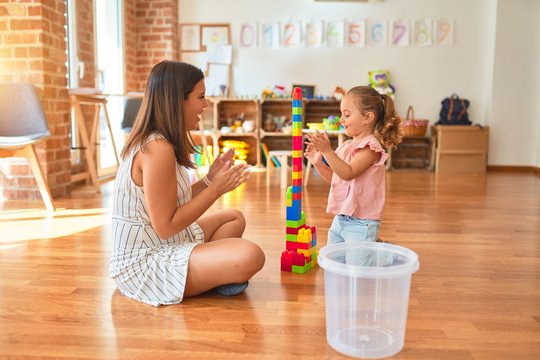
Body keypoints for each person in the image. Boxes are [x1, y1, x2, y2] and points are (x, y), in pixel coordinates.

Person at [110, 61, 265, 306]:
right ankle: (211, 273)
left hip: (166, 241)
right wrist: (215, 190)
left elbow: (172, 200)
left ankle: (210, 273)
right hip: (145, 262)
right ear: (177, 101)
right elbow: (165, 225)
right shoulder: (156, 148)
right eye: (200, 97)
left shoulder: (162, 141)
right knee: (250, 255)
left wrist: (209, 179)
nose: (205, 105)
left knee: (234, 218)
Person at [304, 86, 402, 249]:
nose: (341, 120)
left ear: (367, 117)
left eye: (347, 114)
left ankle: (384, 254)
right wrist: (318, 163)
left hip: (362, 224)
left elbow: (348, 173)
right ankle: (376, 249)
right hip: (341, 219)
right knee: (335, 263)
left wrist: (327, 151)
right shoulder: (347, 145)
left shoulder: (370, 148)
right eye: (342, 114)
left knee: (358, 270)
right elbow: (338, 179)